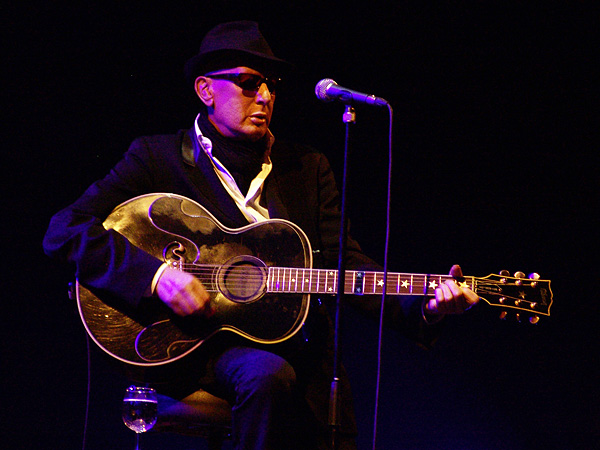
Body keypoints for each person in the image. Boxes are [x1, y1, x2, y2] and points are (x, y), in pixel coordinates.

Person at [43, 21, 479, 450]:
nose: (266, 96)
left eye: (270, 84)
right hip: (193, 348)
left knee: (307, 382)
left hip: (297, 348)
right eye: (249, 83)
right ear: (205, 90)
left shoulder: (306, 167)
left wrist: (425, 305)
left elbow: (346, 265)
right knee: (267, 374)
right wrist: (158, 277)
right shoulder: (157, 158)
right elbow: (66, 229)